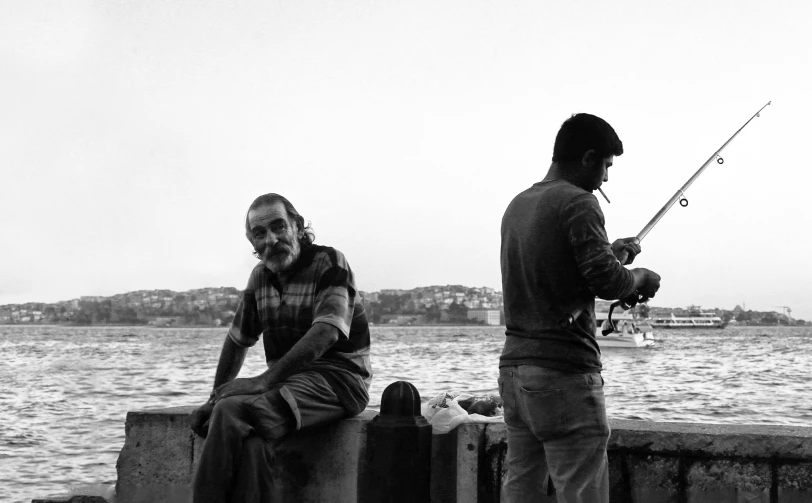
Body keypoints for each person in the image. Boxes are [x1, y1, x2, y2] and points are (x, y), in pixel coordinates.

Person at [498, 114, 661, 503]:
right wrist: (639, 276)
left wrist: (607, 253)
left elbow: (559, 271)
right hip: (564, 374)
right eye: (606, 165)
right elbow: (609, 283)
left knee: (522, 482)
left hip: (515, 371)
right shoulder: (579, 202)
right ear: (588, 157)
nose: (606, 178)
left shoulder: (519, 204)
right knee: (581, 491)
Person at [190, 193, 372, 503]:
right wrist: (215, 394)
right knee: (251, 441)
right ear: (253, 243)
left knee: (233, 411)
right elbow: (237, 340)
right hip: (290, 383)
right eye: (260, 233)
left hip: (340, 382)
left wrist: (261, 381)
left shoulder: (329, 261)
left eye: (279, 227)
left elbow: (326, 332)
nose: (271, 240)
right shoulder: (260, 277)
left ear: (298, 227)